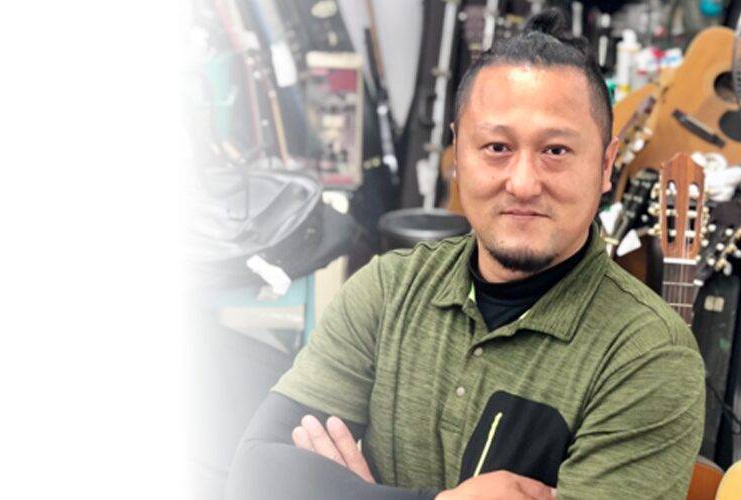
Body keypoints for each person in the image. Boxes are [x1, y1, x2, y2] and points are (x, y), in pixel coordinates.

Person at [226, 10, 704, 500]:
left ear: (605, 166)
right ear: (458, 156)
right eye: (497, 147)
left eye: (556, 151)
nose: (523, 183)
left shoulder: (647, 355)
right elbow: (255, 477)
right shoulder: (388, 291)